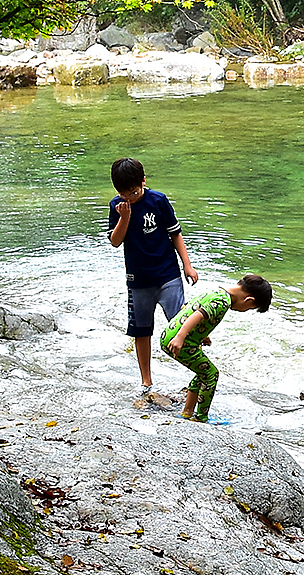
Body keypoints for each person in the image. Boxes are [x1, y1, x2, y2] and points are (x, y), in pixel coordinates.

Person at [107, 157, 199, 400]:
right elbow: (115, 242)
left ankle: (198, 371)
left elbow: (176, 234)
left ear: (144, 182)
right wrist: (124, 217)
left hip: (168, 273)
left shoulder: (157, 200)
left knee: (180, 323)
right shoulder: (117, 206)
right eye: (124, 193)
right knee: (141, 331)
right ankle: (146, 381)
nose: (130, 198)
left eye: (134, 192)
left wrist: (187, 266)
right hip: (138, 280)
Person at [164, 274, 273, 422]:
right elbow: (197, 315)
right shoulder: (222, 302)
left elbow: (186, 308)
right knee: (211, 374)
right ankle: (201, 417)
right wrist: (181, 337)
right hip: (180, 340)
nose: (244, 310)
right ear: (249, 300)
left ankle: (187, 412)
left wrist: (201, 335)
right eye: (249, 308)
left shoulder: (217, 292)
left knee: (203, 372)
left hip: (171, 334)